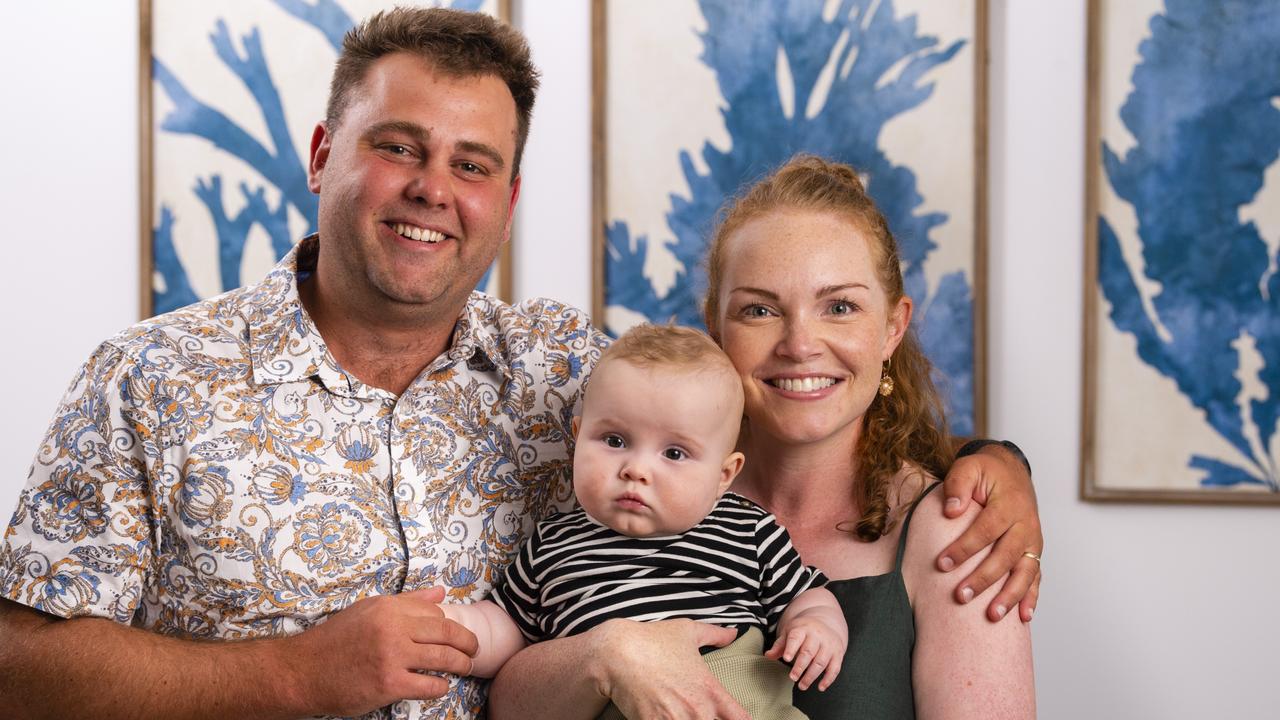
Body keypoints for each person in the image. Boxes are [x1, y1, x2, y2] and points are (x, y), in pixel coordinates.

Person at [0, 8, 1040, 720]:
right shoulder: (148, 380)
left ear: (506, 194)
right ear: (324, 152)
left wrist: (992, 465)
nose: (431, 189)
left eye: (472, 164)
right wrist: (291, 676)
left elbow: (756, 396)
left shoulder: (566, 370)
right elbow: (18, 668)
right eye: (397, 146)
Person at [487, 155, 1036, 720]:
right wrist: (607, 652)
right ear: (716, 328)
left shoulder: (958, 528)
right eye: (759, 310)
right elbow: (505, 700)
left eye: (840, 306)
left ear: (892, 328)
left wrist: (1004, 459)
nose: (799, 343)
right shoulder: (636, 486)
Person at [442, 324, 847, 719]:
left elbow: (805, 596)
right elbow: (505, 628)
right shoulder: (552, 544)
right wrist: (453, 626)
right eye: (615, 441)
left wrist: (816, 624)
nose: (636, 469)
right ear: (579, 437)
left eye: (674, 453)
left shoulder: (748, 530)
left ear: (724, 474)